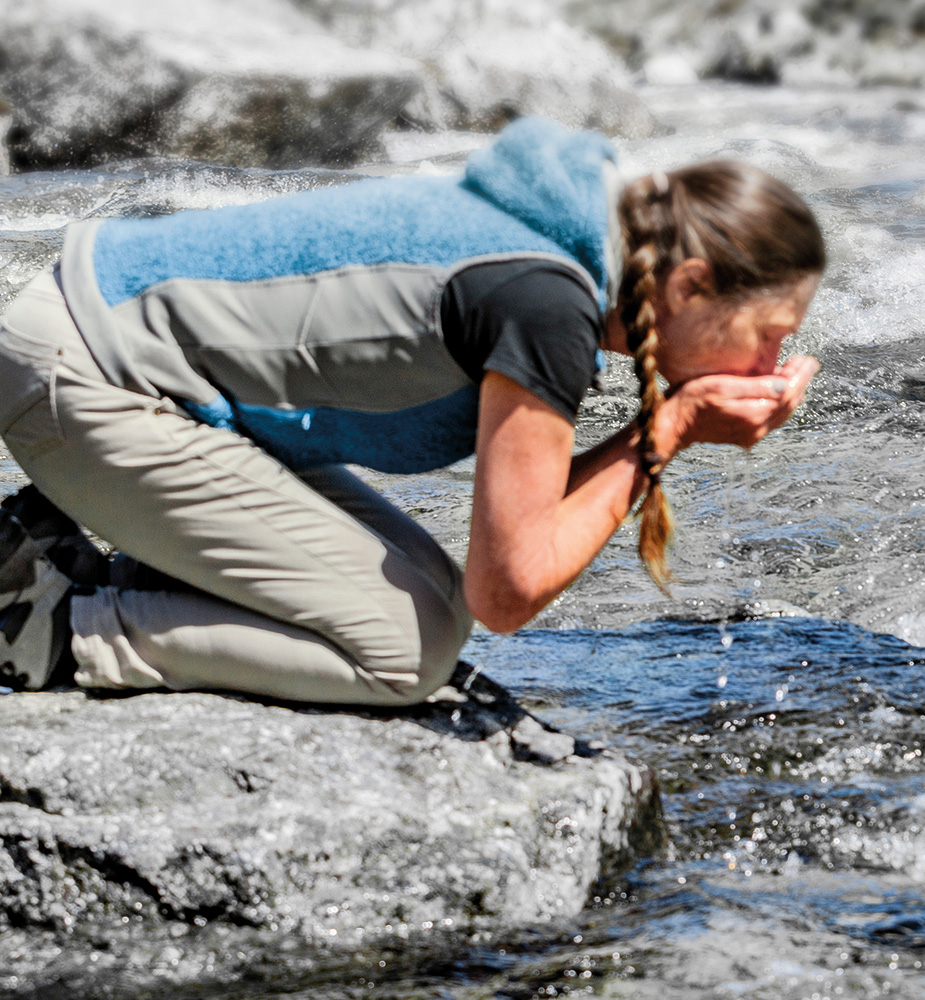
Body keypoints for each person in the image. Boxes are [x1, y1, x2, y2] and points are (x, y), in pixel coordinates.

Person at [0, 116, 826, 704]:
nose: (770, 367)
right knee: (408, 649)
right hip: (93, 376)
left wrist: (663, 426)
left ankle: (68, 553)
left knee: (436, 594)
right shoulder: (544, 300)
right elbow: (512, 590)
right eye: (768, 336)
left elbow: (508, 540)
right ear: (689, 287)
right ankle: (53, 627)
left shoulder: (569, 238)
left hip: (102, 346)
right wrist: (669, 428)